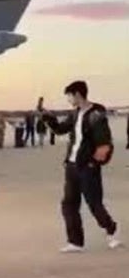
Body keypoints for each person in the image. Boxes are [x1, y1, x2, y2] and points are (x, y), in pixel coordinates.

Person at [42, 80, 120, 253]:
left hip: (87, 166)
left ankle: (111, 230)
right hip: (71, 165)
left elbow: (104, 141)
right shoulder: (75, 114)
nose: (69, 100)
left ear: (77, 94)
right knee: (69, 204)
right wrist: (49, 119)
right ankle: (75, 242)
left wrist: (94, 163)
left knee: (94, 203)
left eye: (69, 96)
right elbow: (61, 129)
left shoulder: (96, 113)